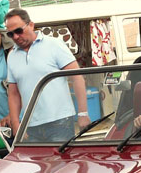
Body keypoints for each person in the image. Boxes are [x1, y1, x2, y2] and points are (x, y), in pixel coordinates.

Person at [5, 8, 90, 141]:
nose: (16, 36)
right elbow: (13, 93)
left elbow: (77, 77)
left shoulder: (54, 44)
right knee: (36, 162)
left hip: (59, 122)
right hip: (30, 125)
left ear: (31, 25)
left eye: (18, 31)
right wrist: (16, 124)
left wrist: (83, 113)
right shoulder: (11, 55)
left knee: (61, 162)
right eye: (10, 34)